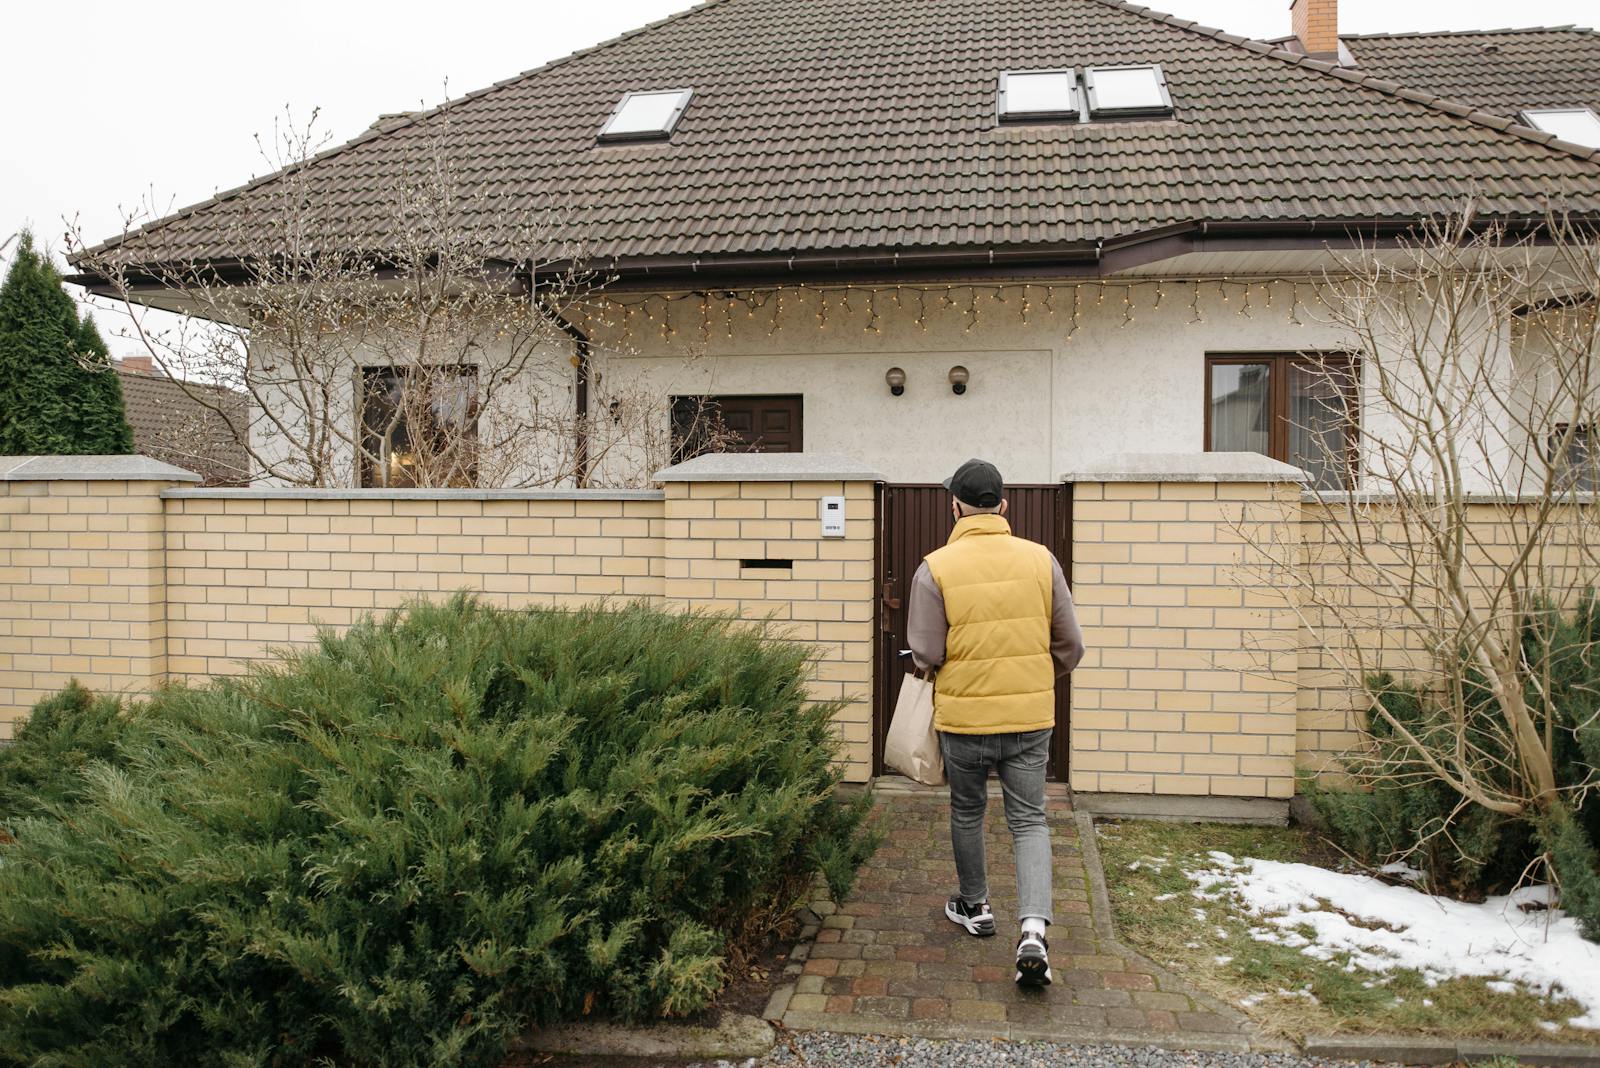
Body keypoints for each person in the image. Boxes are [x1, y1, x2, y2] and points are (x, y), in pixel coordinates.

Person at [906, 458, 1085, 988]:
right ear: (1003, 506)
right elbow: (1071, 645)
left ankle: (976, 906)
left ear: (955, 506)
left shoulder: (934, 567)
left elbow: (926, 650)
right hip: (1030, 718)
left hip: (964, 719)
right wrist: (1036, 674)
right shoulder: (1041, 559)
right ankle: (1032, 929)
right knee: (1029, 820)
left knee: (967, 810)